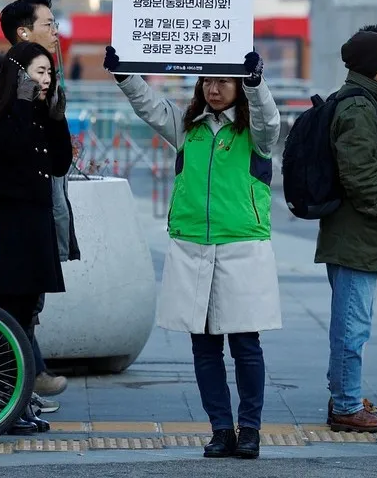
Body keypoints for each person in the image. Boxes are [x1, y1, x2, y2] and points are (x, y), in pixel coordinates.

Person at [104, 46, 281, 459]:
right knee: (203, 346)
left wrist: (257, 85)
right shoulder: (188, 126)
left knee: (245, 344)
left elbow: (270, 119)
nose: (215, 89)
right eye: (208, 81)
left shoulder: (255, 131)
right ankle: (221, 429)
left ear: (238, 85)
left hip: (242, 244)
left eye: (223, 81)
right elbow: (149, 106)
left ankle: (250, 429)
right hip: (191, 245)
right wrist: (124, 74)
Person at [0, 41, 73, 435]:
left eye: (49, 73)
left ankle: (17, 404)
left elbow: (60, 162)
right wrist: (21, 102)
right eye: (38, 72)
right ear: (17, 72)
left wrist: (56, 117)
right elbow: (5, 147)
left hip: (35, 227)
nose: (45, 80)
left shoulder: (38, 113)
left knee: (26, 320)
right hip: (5, 228)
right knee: (4, 318)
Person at [316, 29, 377, 433]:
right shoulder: (359, 108)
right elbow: (358, 171)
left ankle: (345, 396)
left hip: (359, 233)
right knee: (352, 327)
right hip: (357, 233)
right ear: (376, 65)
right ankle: (348, 405)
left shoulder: (371, 102)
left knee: (354, 323)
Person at [0, 0, 77, 401]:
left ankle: (26, 388)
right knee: (15, 308)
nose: (55, 32)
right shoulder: (7, 97)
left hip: (42, 216)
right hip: (15, 224)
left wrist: (53, 111)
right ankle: (23, 384)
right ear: (24, 34)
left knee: (29, 307)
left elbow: (59, 161)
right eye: (48, 24)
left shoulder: (45, 92)